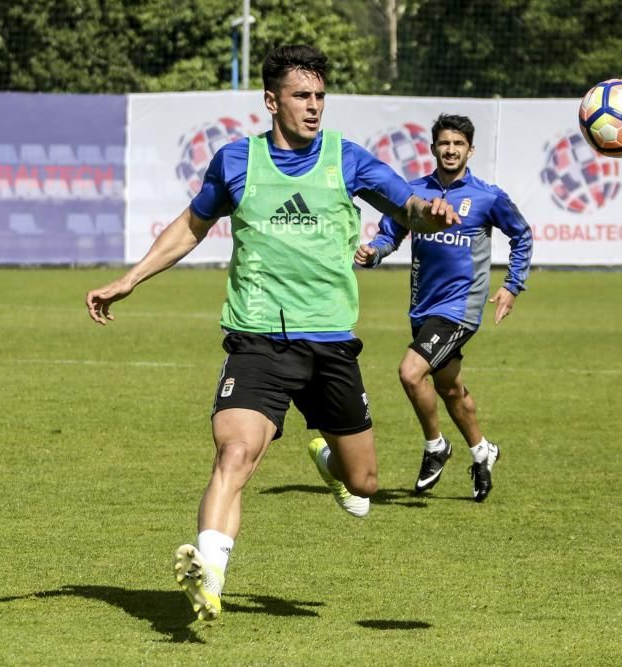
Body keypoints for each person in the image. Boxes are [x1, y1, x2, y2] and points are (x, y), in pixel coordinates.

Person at [85, 45, 459, 623]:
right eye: (300, 96)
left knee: (363, 484)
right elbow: (190, 226)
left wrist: (426, 212)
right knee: (235, 452)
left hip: (331, 343)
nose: (313, 108)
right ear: (271, 100)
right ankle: (209, 575)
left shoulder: (346, 158)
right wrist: (132, 278)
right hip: (257, 339)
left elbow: (404, 202)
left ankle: (330, 462)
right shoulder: (235, 162)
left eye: (319, 97)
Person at [354, 113, 532, 503]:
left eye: (458, 144)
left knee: (410, 372)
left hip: (461, 308)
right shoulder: (414, 192)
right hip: (423, 308)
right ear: (433, 148)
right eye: (444, 143)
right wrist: (374, 253)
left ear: (470, 149)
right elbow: (390, 233)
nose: (451, 150)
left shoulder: (488, 196)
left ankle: (436, 445)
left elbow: (522, 234)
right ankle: (483, 450)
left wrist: (511, 286)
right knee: (450, 389)